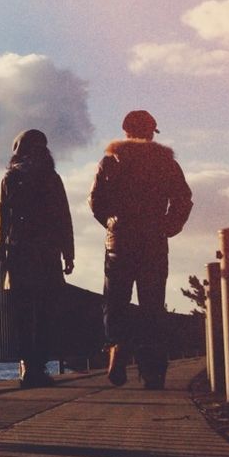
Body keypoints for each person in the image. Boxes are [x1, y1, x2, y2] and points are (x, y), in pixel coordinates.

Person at [88, 110, 193, 390]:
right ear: (151, 132)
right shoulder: (166, 163)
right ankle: (153, 371)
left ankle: (117, 348)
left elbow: (96, 200)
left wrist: (110, 222)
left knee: (115, 301)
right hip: (153, 242)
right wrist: (169, 226)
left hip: (119, 242)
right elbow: (184, 198)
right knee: (152, 306)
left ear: (125, 131)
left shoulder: (110, 161)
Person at [0, 129, 75, 388]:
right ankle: (38, 367)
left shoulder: (11, 177)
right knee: (43, 313)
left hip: (19, 252)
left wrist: (2, 249)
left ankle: (26, 366)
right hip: (47, 253)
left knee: (21, 314)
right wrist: (68, 252)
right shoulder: (52, 178)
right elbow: (64, 217)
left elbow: (2, 217)